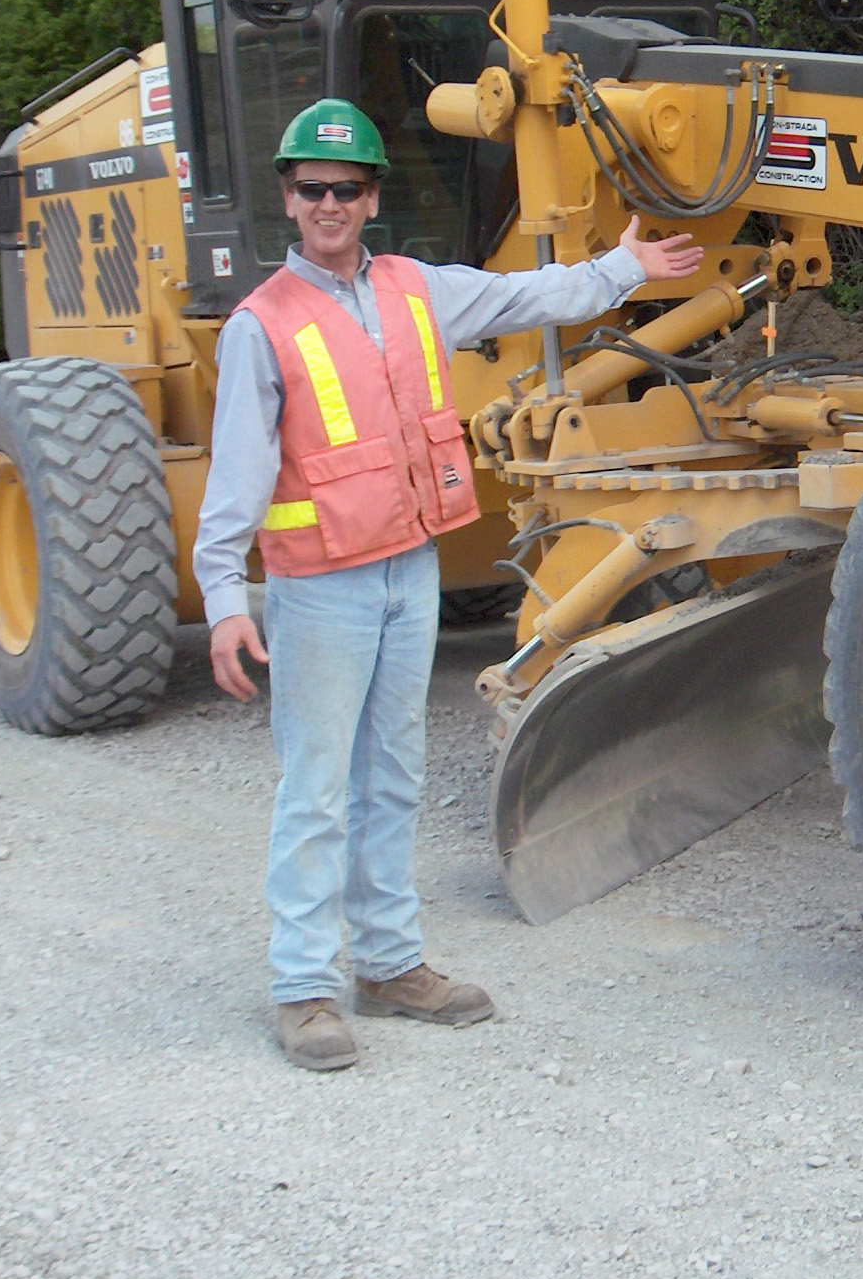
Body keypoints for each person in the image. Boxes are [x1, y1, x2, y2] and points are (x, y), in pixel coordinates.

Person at [196, 98, 703, 1071]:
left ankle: (388, 965)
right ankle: (305, 986)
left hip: (408, 570)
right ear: (289, 200)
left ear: (371, 196)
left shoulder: (415, 289)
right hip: (322, 590)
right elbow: (236, 477)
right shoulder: (261, 328)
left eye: (346, 188)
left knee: (393, 775)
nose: (329, 204)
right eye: (312, 189)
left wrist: (622, 271)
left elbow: (525, 299)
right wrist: (224, 598)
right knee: (316, 788)